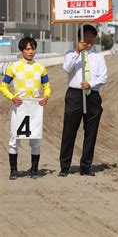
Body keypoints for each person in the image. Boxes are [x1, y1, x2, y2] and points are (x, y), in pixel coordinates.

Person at [59, 24, 108, 177]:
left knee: (91, 132)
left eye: (92, 37)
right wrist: (77, 52)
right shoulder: (70, 54)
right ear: (80, 38)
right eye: (86, 36)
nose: (89, 39)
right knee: (69, 131)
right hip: (74, 95)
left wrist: (91, 84)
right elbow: (67, 68)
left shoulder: (98, 56)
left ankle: (86, 166)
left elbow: (104, 77)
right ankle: (65, 167)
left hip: (92, 95)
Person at [1, 37, 51, 180]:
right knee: (14, 139)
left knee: (35, 139)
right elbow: (3, 86)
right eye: (28, 49)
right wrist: (12, 97)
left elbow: (47, 87)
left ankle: (34, 170)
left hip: (35, 107)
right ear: (22, 50)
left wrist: (46, 97)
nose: (31, 51)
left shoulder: (41, 68)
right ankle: (13, 170)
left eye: (33, 48)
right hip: (19, 107)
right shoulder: (13, 67)